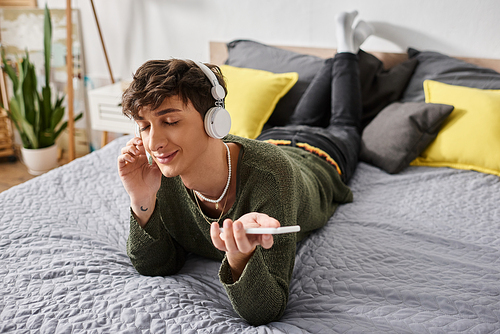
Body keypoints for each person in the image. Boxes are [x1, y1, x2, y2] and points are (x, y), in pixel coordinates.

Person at [118, 11, 373, 326]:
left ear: (214, 121)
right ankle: (343, 50)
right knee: (299, 118)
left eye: (170, 121)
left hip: (319, 156)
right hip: (273, 138)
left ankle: (347, 48)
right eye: (144, 126)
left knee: (344, 123)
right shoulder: (163, 172)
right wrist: (142, 200)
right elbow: (155, 265)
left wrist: (240, 259)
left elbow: (266, 309)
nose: (154, 142)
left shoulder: (270, 179)